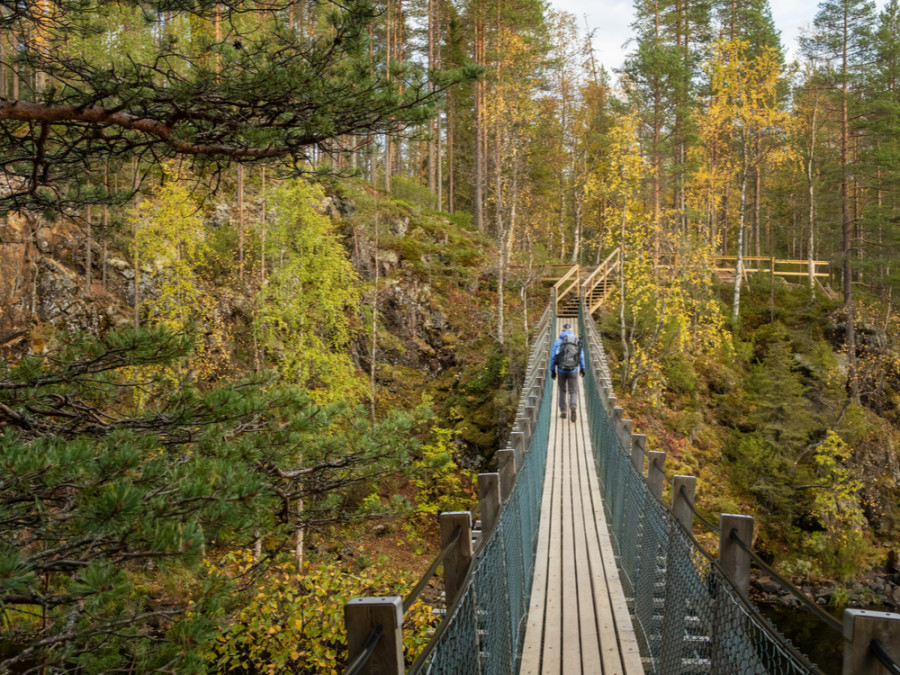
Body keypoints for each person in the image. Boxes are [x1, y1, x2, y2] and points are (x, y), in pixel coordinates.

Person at [550, 323, 585, 422]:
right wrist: (583, 368)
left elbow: (553, 357)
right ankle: (573, 405)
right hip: (573, 369)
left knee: (562, 390)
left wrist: (552, 370)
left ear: (562, 331)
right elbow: (581, 356)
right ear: (571, 331)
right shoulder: (576, 341)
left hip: (561, 369)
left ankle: (563, 411)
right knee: (573, 390)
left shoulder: (558, 342)